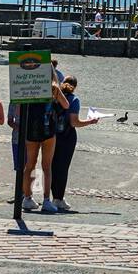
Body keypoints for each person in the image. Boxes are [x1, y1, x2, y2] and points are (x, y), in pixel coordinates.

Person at [48, 75, 99, 211]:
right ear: (75, 87)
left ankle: (50, 197)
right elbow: (74, 122)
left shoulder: (54, 96)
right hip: (67, 136)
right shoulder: (74, 100)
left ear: (63, 82)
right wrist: (91, 121)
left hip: (51, 135)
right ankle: (59, 198)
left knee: (51, 166)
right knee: (63, 168)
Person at [22, 78, 59, 213]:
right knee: (47, 167)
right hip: (48, 129)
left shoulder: (28, 85)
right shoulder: (53, 87)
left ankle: (27, 198)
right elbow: (65, 105)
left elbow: (20, 110)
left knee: (29, 165)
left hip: (31, 129)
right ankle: (46, 200)